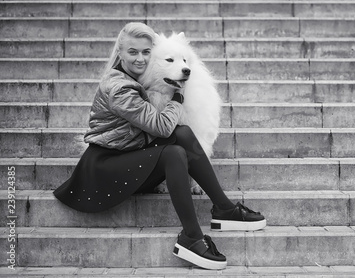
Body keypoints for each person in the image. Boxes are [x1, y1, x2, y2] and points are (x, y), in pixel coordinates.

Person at [53, 22, 266, 270]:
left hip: (126, 158)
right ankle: (192, 237)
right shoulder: (119, 87)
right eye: (133, 52)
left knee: (183, 134)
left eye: (145, 52)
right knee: (173, 151)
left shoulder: (135, 78)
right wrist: (177, 95)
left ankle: (224, 209)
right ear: (120, 53)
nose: (141, 58)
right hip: (103, 171)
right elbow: (162, 127)